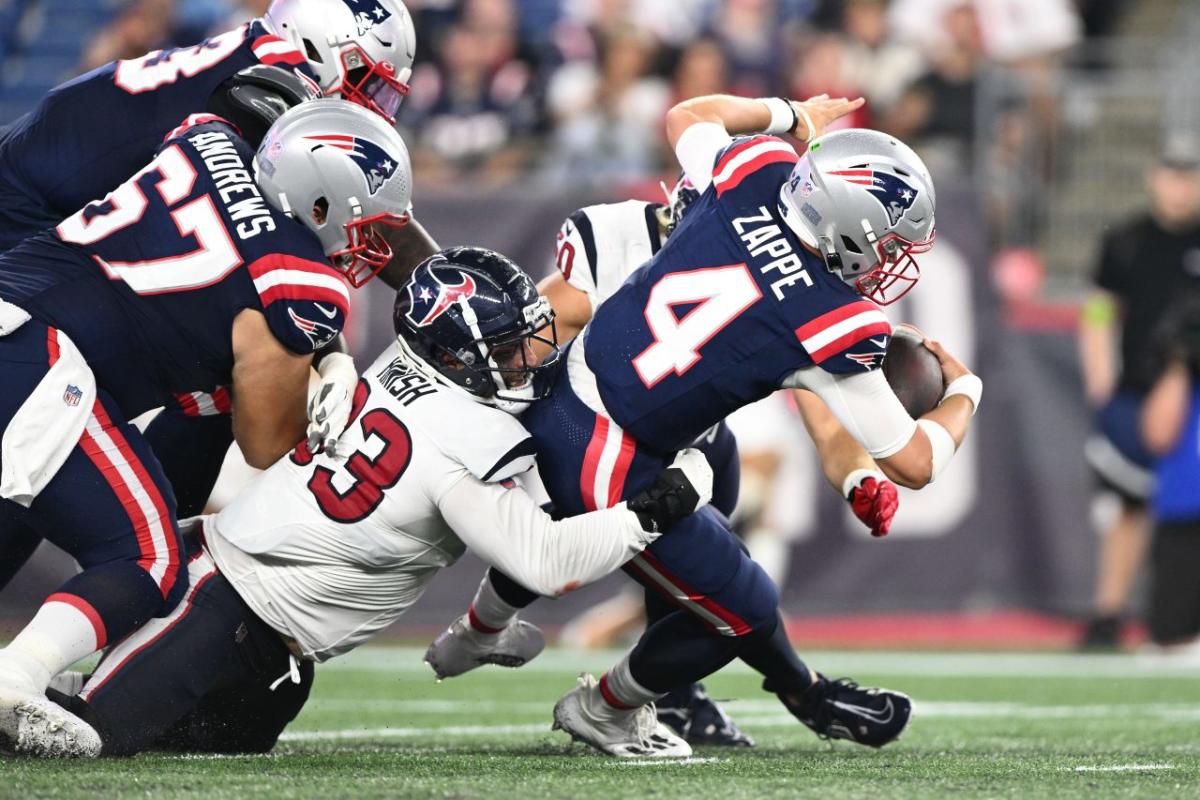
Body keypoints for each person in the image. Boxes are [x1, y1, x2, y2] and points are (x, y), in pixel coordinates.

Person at [427, 93, 981, 758]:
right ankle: (606, 708)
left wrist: (786, 115)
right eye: (890, 242)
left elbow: (687, 116)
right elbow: (916, 463)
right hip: (609, 456)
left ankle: (488, 630)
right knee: (743, 611)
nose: (893, 259)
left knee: (716, 458)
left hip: (567, 395)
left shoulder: (754, 171)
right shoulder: (835, 322)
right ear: (848, 225)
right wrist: (966, 391)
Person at [35, 247, 714, 758]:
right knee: (75, 738)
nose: (524, 363)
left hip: (280, 660)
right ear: (454, 354)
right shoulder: (463, 434)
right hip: (220, 600)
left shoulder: (407, 366)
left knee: (190, 752)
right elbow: (543, 560)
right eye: (506, 349)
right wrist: (657, 508)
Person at [0, 98, 411, 757]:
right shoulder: (302, 281)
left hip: (16, 307)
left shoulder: (207, 137)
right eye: (370, 220)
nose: (373, 242)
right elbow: (265, 439)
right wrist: (326, 373)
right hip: (35, 360)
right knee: (149, 555)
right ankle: (15, 679)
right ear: (321, 202)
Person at [515, 173, 900, 747]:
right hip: (584, 441)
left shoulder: (762, 276)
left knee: (719, 480)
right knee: (728, 561)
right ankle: (496, 629)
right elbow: (533, 333)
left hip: (646, 457)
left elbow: (824, 417)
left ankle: (707, 690)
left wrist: (859, 475)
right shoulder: (629, 242)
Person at [1077, 137, 1200, 648]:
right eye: (1172, 174)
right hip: (1137, 389)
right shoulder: (1127, 239)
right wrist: (1101, 377)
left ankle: (1175, 617)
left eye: (1189, 175)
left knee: (1185, 509)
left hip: (1194, 397)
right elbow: (1101, 308)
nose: (1179, 186)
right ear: (1154, 177)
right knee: (1127, 505)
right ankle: (1110, 612)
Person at [1139, 294, 1200, 651]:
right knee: (1170, 638)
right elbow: (1158, 435)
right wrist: (1178, 362)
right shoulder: (1182, 385)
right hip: (1188, 516)